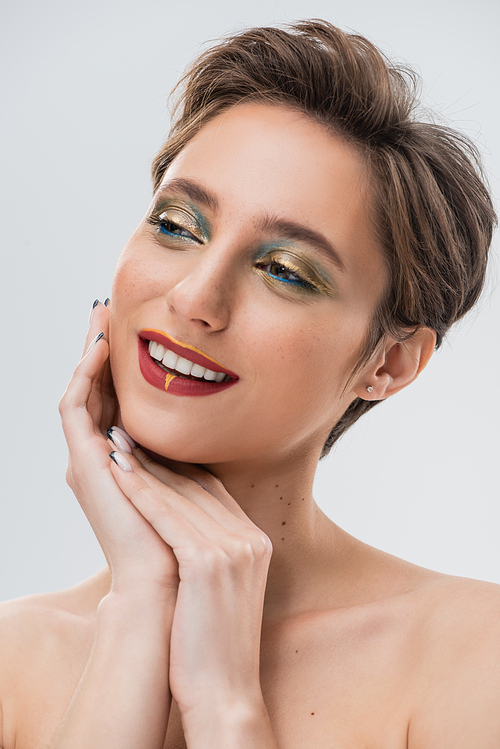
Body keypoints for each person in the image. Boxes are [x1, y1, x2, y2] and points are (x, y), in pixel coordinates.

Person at [0, 19, 498, 749]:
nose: (195, 298)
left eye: (285, 271)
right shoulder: (14, 658)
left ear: (387, 363)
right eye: (177, 225)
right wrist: (141, 603)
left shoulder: (472, 658)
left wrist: (227, 705)